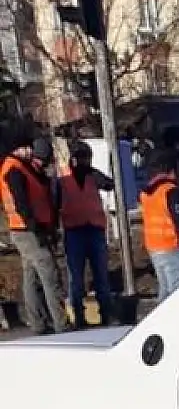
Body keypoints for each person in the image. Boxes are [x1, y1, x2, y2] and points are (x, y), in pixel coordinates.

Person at [1, 132, 67, 335]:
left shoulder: (18, 168)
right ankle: (60, 323)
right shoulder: (14, 169)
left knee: (31, 277)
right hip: (29, 230)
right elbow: (22, 201)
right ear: (18, 148)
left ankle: (38, 322)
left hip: (24, 229)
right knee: (49, 274)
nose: (31, 151)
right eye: (27, 147)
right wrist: (35, 226)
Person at [55, 140, 117, 329]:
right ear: (72, 159)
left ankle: (106, 313)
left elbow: (109, 184)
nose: (83, 162)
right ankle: (79, 317)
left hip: (95, 229)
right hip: (74, 231)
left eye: (86, 158)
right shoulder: (62, 179)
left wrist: (93, 171)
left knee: (101, 275)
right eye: (80, 158)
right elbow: (55, 201)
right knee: (76, 277)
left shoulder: (92, 176)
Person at [138, 146, 179, 301]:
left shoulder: (146, 193)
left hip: (155, 247)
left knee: (165, 292)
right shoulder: (171, 191)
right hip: (173, 248)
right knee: (177, 295)